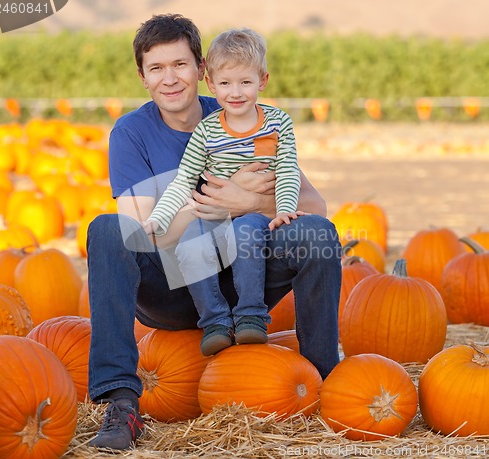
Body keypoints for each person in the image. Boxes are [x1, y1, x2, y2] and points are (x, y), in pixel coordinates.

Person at [87, 13, 342, 451]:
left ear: (201, 69)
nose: (170, 78)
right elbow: (142, 231)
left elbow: (315, 206)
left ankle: (324, 383)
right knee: (107, 230)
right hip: (173, 288)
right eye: (157, 68)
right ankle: (122, 401)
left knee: (315, 233)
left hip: (245, 282)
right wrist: (216, 203)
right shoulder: (131, 133)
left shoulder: (240, 114)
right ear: (143, 77)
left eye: (180, 65)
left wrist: (250, 203)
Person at [143, 27, 305, 357]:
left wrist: (284, 206)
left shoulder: (277, 123)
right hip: (214, 215)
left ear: (262, 81)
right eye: (226, 83)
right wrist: (158, 217)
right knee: (190, 246)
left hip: (251, 215)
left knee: (246, 235)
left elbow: (288, 169)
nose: (236, 92)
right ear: (212, 84)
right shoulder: (207, 130)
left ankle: (250, 316)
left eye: (245, 82)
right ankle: (215, 321)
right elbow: (185, 180)